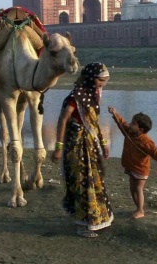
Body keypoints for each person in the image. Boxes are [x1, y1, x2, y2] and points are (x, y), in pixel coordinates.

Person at [51, 62, 113, 238]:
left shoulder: (94, 95)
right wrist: (58, 147)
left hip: (91, 145)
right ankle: (83, 225)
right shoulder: (76, 96)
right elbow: (63, 120)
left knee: (95, 181)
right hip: (76, 146)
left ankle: (96, 219)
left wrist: (103, 143)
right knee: (81, 182)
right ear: (91, 78)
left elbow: (95, 122)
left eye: (105, 80)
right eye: (101, 80)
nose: (103, 84)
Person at [107, 106, 157, 219]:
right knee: (132, 188)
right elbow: (121, 124)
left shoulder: (146, 141)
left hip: (141, 168)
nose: (130, 125)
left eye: (133, 123)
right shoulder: (129, 133)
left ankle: (141, 210)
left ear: (140, 129)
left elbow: (155, 152)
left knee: (138, 188)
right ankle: (137, 208)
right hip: (131, 166)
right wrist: (115, 114)